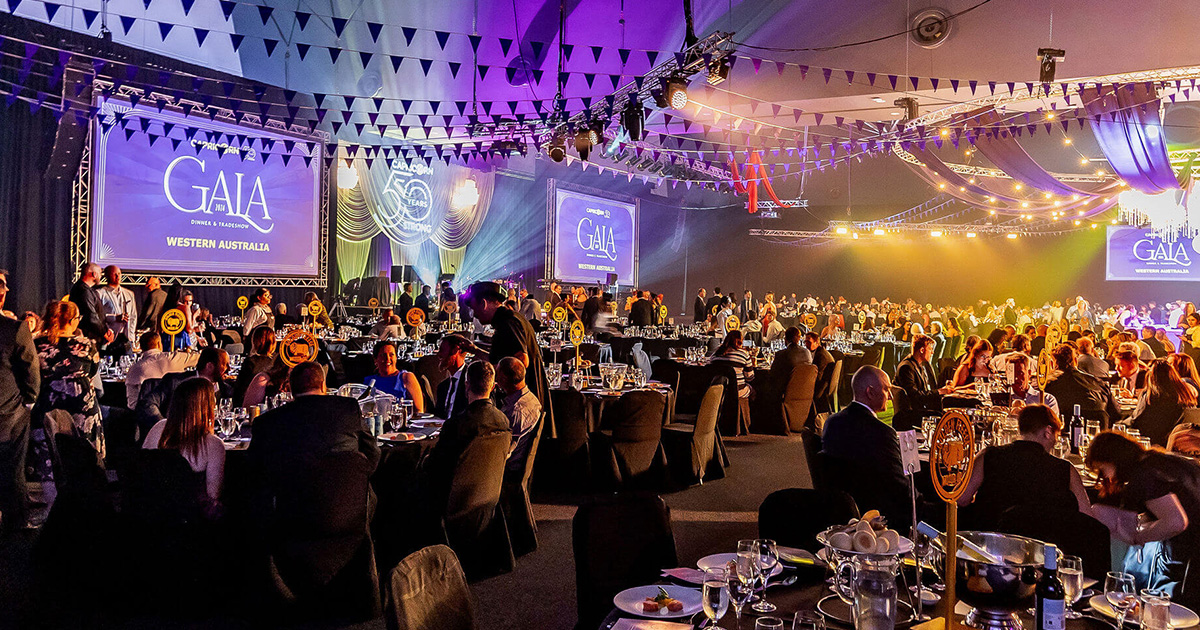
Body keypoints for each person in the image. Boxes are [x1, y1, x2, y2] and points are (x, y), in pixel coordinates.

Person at [1086, 431, 1200, 609]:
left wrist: (1140, 537)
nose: (1104, 477)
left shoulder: (1144, 476)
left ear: (1113, 459)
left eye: (1102, 469)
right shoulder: (1159, 461)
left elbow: (1176, 522)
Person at [248, 361, 379, 504]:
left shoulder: (267, 422)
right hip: (345, 509)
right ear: (323, 385)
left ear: (291, 389)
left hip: (289, 511)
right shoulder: (348, 408)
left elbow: (255, 470)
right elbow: (373, 452)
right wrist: (358, 479)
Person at [957, 404, 1092, 524]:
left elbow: (962, 498)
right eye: (1056, 436)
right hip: (1041, 545)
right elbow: (1087, 518)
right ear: (1048, 432)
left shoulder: (988, 455)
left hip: (988, 542)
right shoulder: (1065, 469)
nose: (1055, 442)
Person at [821, 366, 913, 533]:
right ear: (870, 392)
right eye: (887, 389)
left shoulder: (831, 422)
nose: (891, 396)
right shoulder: (882, 433)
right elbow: (901, 490)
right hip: (879, 516)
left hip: (841, 507)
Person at [420, 360, 510, 510]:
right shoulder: (503, 422)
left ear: (466, 385)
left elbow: (434, 467)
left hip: (455, 501)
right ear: (493, 387)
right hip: (488, 497)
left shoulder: (456, 425)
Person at [462, 282, 549, 418]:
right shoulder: (509, 319)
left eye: (474, 309)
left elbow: (521, 361)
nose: (475, 315)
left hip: (520, 406)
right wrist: (474, 350)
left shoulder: (508, 322)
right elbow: (501, 360)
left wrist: (493, 376)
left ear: (484, 304)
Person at [141, 377, 225, 518]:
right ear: (207, 407)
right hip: (188, 520)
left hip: (150, 512)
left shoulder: (159, 428)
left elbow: (140, 467)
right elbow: (213, 497)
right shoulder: (213, 445)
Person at [32, 300, 104, 458]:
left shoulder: (36, 345)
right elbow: (92, 372)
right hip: (82, 408)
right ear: (72, 321)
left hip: (48, 404)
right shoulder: (87, 346)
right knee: (85, 459)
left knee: (51, 457)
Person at [0, 270, 39, 532]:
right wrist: (29, 401)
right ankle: (15, 534)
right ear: (1, 296)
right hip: (8, 414)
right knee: (12, 472)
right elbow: (31, 372)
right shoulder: (14, 329)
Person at [137, 348, 230, 436]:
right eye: (225, 364)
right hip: (175, 441)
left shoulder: (225, 389)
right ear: (209, 366)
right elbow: (147, 404)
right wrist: (165, 428)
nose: (229, 369)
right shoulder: (175, 382)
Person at [1044, 344, 1121, 427]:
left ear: (1051, 364)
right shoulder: (1098, 383)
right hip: (1098, 433)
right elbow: (1116, 414)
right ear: (1076, 361)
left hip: (1062, 433)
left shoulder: (1048, 385)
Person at [1128, 359, 1198, 446]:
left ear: (1151, 377)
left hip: (1153, 444)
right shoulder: (1186, 393)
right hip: (1182, 443)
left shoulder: (1151, 396)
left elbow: (1136, 421)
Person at [125, 331, 199, 409]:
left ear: (141, 347)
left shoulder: (134, 369)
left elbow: (132, 404)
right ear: (159, 344)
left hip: (145, 416)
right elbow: (201, 358)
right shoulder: (172, 359)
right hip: (174, 411)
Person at [496, 357, 541, 474]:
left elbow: (504, 452)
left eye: (497, 375)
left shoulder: (516, 410)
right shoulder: (530, 398)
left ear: (503, 379)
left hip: (508, 470)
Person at [364, 341, 424, 412]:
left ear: (396, 358)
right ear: (375, 359)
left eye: (391, 355)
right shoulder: (369, 381)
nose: (388, 359)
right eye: (383, 355)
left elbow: (419, 410)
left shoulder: (406, 377)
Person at [68, 262, 112, 347]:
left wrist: (107, 329)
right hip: (88, 338)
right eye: (100, 273)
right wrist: (104, 332)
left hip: (94, 336)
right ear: (94, 274)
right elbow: (90, 316)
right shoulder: (83, 290)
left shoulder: (89, 290)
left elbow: (99, 313)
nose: (101, 276)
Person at [97, 265, 137, 355]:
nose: (117, 276)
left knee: (127, 364)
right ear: (107, 276)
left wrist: (131, 337)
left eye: (119, 273)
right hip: (109, 337)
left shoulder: (129, 293)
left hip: (126, 337)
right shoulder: (101, 293)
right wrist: (115, 318)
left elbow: (133, 316)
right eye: (114, 274)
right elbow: (98, 317)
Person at [231, 327, 276, 406]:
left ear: (255, 342)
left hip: (250, 404)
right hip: (271, 402)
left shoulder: (250, 362)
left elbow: (239, 390)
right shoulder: (278, 361)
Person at [434, 334, 475, 419]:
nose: (439, 354)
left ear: (456, 350)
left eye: (442, 350)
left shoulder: (472, 382)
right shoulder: (443, 387)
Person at [711, 330, 756, 399]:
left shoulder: (716, 353)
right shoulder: (743, 354)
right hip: (737, 391)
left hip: (717, 391)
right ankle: (743, 409)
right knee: (753, 390)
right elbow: (749, 377)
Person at [768, 327, 812, 395]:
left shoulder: (781, 354)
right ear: (799, 339)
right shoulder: (807, 352)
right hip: (805, 391)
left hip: (787, 392)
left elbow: (772, 374)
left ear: (785, 339)